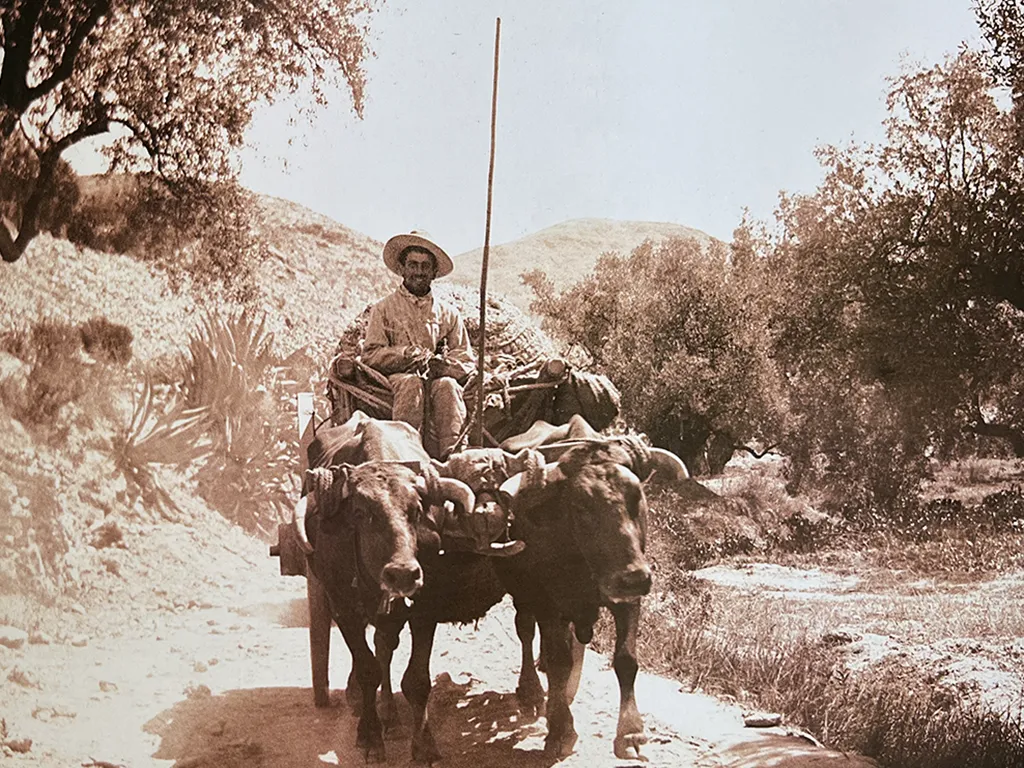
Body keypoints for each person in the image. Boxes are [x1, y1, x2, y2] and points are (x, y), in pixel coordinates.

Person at [362, 231, 475, 461]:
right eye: (413, 264)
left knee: (448, 386)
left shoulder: (448, 314)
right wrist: (404, 354)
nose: (419, 271)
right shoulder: (383, 309)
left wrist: (444, 367)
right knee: (411, 384)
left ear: (434, 272)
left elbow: (466, 359)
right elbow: (371, 355)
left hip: (435, 380)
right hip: (397, 380)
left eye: (425, 266)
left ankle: (453, 456)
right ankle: (405, 455)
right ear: (402, 269)